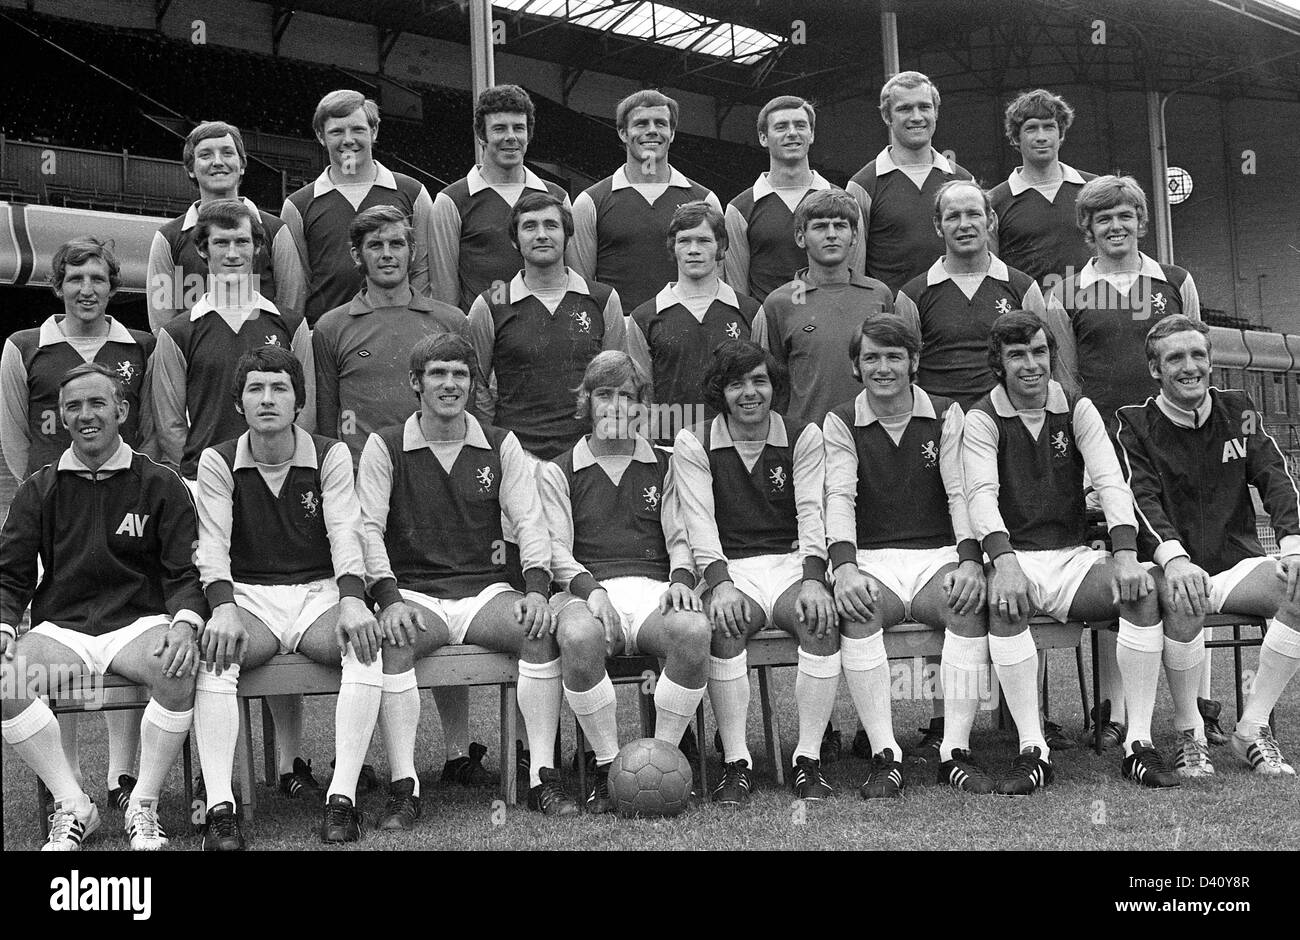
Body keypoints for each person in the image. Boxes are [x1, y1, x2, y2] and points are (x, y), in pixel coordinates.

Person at [357, 333, 579, 824]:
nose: (450, 384)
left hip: (484, 592)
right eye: (438, 373)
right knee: (394, 641)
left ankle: (542, 776)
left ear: (472, 383)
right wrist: (388, 599)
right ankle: (404, 787)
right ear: (415, 382)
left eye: (460, 374)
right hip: (416, 594)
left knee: (537, 630)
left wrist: (539, 591)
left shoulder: (501, 442)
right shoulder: (385, 444)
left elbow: (530, 522)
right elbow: (367, 530)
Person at [312, 204, 489, 787]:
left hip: (438, 479)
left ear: (412, 253)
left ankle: (462, 752)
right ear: (357, 256)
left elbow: (472, 397)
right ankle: (355, 761)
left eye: (396, 245)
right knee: (373, 616)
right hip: (365, 491)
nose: (387, 255)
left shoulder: (447, 317)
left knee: (443, 594)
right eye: (375, 246)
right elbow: (326, 416)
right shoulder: (332, 326)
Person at [963, 311, 1171, 793]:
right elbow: (980, 496)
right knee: (1004, 601)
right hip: (1019, 559)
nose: (1031, 365)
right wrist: (1005, 563)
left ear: (1051, 356)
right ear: (999, 362)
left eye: (1039, 352)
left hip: (1073, 557)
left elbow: (1111, 482)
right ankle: (1034, 749)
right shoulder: (981, 417)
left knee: (1140, 593)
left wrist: (1123, 553)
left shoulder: (1077, 406)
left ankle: (1137, 743)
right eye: (1017, 355)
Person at [1, 363, 204, 850]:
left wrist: (184, 624)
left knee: (177, 668)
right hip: (63, 629)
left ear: (122, 410)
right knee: (8, 678)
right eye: (74, 406)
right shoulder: (39, 487)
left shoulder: (161, 483)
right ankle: (74, 805)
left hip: (137, 624)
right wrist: (5, 629)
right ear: (62, 417)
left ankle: (143, 805)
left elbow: (184, 573)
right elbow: (10, 576)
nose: (86, 415)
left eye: (97, 403)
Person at [192, 346, 383, 849]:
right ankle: (219, 810)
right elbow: (212, 541)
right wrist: (223, 607)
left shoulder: (330, 452)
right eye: (255, 388)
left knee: (366, 645)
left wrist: (352, 598)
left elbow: (346, 529)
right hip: (250, 597)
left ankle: (341, 801)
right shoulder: (216, 459)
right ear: (239, 403)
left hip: (319, 593)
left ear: (298, 400)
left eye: (280, 388)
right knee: (215, 655)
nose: (268, 398)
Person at [1044, 174, 1208, 745]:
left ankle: (1199, 707)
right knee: (1127, 572)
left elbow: (1192, 358)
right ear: (1087, 230)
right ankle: (1112, 715)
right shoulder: (1064, 290)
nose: (1117, 226)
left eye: (1126, 216)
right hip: (1108, 451)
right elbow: (1065, 375)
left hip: (1177, 445)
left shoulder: (1176, 281)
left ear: (1142, 220)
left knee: (1189, 561)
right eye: (1103, 218)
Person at [0, 237, 155, 817]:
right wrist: (47, 494)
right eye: (74, 279)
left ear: (113, 287)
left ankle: (121, 773)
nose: (86, 289)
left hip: (124, 505)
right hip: (52, 514)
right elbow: (15, 434)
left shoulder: (140, 344)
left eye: (97, 279)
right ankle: (67, 778)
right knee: (59, 635)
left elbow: (157, 426)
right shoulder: (24, 346)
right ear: (57, 286)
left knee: (126, 625)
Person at [1117, 315, 1298, 777]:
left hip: (1236, 563)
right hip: (1170, 566)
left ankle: (1252, 730)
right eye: (1175, 357)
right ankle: (1190, 733)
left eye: (1198, 355)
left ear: (1211, 363)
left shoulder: (1238, 408)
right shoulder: (1134, 423)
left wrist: (1292, 544)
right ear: (1155, 370)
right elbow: (1141, 500)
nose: (1189, 366)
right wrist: (1174, 559)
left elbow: (1274, 476)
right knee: (1184, 594)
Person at [824, 315, 991, 796]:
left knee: (967, 601)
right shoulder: (839, 420)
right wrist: (847, 568)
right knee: (857, 611)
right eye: (871, 357)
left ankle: (953, 751)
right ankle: (885, 754)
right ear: (856, 365)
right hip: (873, 560)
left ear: (914, 361)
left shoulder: (946, 413)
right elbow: (840, 497)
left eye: (894, 356)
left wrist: (968, 561)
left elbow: (961, 494)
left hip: (936, 555)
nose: (883, 367)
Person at [537, 351, 710, 811]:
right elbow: (556, 552)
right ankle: (605, 765)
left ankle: (665, 756)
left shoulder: (667, 463)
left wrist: (679, 579)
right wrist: (593, 593)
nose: (616, 406)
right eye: (605, 395)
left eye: (627, 396)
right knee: (577, 636)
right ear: (587, 403)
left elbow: (680, 536)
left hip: (653, 589)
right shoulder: (557, 469)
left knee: (693, 630)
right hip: (585, 591)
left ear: (642, 406)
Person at [672, 340, 837, 804]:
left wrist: (812, 578)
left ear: (775, 386)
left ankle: (808, 760)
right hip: (729, 567)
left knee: (819, 621)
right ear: (719, 392)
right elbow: (699, 521)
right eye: (736, 383)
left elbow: (811, 512)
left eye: (760, 381)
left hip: (788, 565)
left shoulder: (803, 434)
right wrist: (720, 585)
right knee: (725, 623)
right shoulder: (693, 440)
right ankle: (736, 762)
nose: (750, 393)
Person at [151, 199, 313, 481]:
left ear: (258, 247)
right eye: (221, 243)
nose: (233, 253)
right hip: (204, 481)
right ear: (203, 249)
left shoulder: (292, 325)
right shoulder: (177, 333)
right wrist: (206, 475)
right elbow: (170, 426)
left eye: (242, 241)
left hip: (276, 476)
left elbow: (305, 410)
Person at [468, 191, 625, 460]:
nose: (541, 234)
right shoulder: (490, 304)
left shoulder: (603, 299)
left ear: (567, 236)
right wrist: (495, 445)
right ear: (515, 241)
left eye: (551, 225)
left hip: (588, 454)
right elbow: (478, 385)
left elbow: (617, 384)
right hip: (516, 455)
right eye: (530, 226)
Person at [280, 90, 435, 328]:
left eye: (358, 129)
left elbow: (423, 269)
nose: (348, 139)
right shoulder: (298, 205)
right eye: (336, 132)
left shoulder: (412, 192)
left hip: (403, 327)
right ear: (321, 137)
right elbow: (296, 284)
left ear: (374, 132)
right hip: (326, 334)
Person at [894, 180, 1047, 410]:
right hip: (942, 427)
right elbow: (905, 372)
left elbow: (1043, 365)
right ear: (938, 225)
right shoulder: (912, 296)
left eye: (973, 214)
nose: (964, 225)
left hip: (1006, 422)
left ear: (991, 220)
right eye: (953, 216)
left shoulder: (1024, 287)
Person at [148, 120, 305, 333]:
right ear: (191, 169)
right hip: (197, 361)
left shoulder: (275, 230)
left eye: (227, 153)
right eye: (205, 155)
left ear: (242, 165)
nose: (218, 162)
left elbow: (291, 308)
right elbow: (162, 323)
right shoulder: (168, 238)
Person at [572, 90, 722, 312]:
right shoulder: (589, 202)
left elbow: (717, 279)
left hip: (687, 327)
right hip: (620, 328)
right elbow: (582, 286)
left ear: (672, 133)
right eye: (641, 124)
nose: (652, 131)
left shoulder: (705, 200)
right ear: (623, 133)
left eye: (660, 123)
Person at [753, 188, 894, 426]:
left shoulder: (879, 295)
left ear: (855, 236)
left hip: (872, 434)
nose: (831, 235)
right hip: (808, 438)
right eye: (820, 227)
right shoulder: (780, 302)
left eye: (840, 226)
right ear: (800, 237)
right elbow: (771, 383)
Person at [626, 200, 763, 444]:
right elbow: (641, 398)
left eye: (703, 241)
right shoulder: (644, 318)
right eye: (684, 241)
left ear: (720, 247)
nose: (693, 249)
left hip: (736, 446)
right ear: (673, 247)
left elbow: (763, 388)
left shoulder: (751, 312)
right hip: (670, 447)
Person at [430, 84, 574, 312]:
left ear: (529, 134)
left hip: (549, 330)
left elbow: (574, 279)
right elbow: (445, 296)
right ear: (481, 135)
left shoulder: (557, 197)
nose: (510, 137)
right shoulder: (451, 201)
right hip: (483, 335)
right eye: (499, 129)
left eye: (518, 128)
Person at [847, 70, 973, 294]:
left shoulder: (963, 181)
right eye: (905, 108)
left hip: (953, 313)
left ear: (935, 113)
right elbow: (853, 271)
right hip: (893, 321)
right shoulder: (862, 185)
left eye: (924, 107)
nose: (916, 117)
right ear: (887, 117)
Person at [724, 96, 833, 302]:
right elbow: (738, 293)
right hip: (769, 328)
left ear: (811, 135)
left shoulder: (843, 202)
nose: (792, 133)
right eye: (781, 127)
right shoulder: (739, 209)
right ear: (763, 138)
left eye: (800, 125)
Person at [987, 89, 1097, 289]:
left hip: (1091, 308)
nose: (1041, 137)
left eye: (1049, 127)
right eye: (1031, 129)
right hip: (1029, 314)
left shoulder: (1094, 190)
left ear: (1061, 134)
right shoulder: (995, 201)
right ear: (1016, 137)